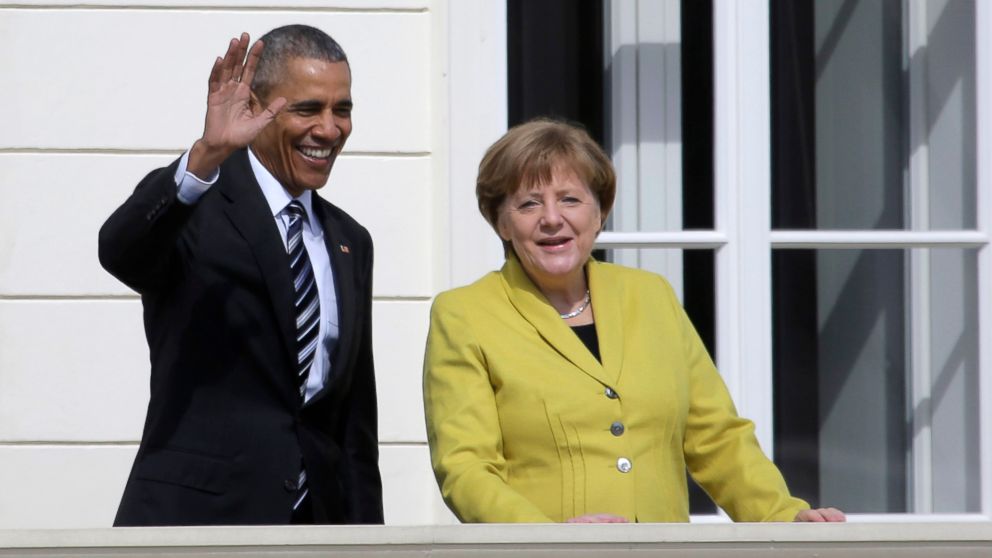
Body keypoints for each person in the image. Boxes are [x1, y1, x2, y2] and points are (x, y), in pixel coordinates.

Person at [422, 119, 844, 524]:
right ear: (501, 222)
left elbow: (717, 437)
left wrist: (782, 514)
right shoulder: (465, 315)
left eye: (570, 199)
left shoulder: (651, 296)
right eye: (529, 203)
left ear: (599, 212)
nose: (552, 218)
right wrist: (545, 536)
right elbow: (466, 468)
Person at [99, 25, 382, 526]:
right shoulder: (199, 205)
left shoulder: (349, 240)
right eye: (307, 109)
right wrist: (206, 155)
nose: (330, 129)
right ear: (254, 108)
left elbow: (353, 424)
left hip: (316, 525)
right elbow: (121, 251)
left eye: (343, 109)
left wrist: (366, 536)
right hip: (197, 520)